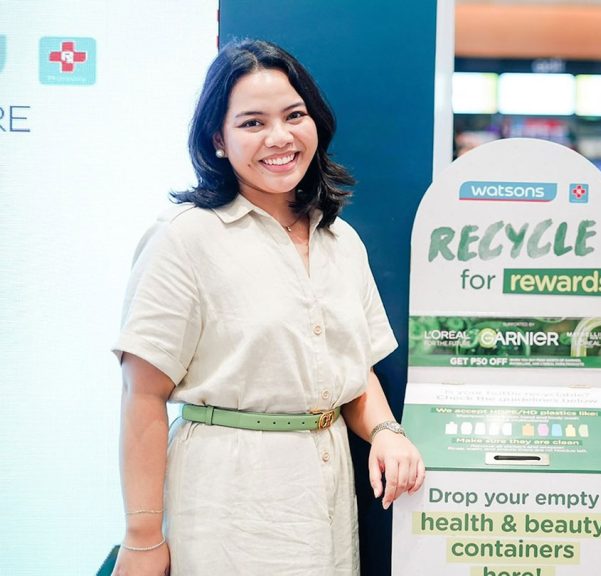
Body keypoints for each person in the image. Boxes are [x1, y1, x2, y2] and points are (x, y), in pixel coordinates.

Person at [112, 39, 424, 575]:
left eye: (294, 115)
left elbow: (353, 370)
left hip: (326, 495)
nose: (279, 137)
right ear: (218, 139)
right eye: (252, 123)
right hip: (227, 502)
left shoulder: (341, 240)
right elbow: (142, 395)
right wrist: (142, 538)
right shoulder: (184, 238)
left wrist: (385, 431)